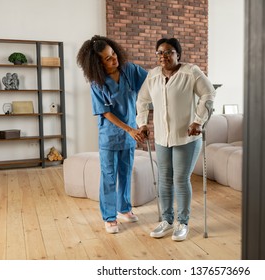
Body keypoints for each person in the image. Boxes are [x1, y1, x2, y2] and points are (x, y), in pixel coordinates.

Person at [136, 38, 216, 241]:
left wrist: (198, 121)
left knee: (180, 180)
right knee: (164, 180)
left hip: (186, 138)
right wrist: (142, 124)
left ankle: (183, 223)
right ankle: (167, 220)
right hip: (162, 138)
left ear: (178, 54)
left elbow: (208, 94)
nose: (164, 56)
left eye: (169, 52)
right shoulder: (153, 75)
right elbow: (142, 100)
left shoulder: (191, 72)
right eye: (160, 53)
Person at [76, 35, 147, 234]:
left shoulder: (130, 70)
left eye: (113, 54)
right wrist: (130, 129)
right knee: (109, 176)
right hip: (110, 135)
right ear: (98, 63)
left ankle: (124, 209)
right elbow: (105, 113)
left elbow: (151, 84)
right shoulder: (97, 83)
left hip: (131, 134)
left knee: (126, 172)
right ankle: (109, 217)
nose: (114, 59)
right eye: (107, 58)